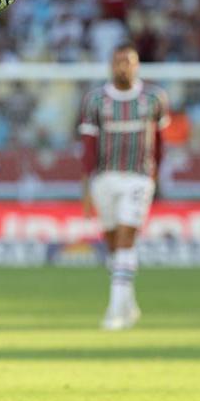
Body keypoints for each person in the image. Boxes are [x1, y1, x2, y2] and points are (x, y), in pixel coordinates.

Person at [79, 45, 169, 331]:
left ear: (138, 65)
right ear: (111, 65)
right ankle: (129, 305)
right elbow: (88, 147)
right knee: (113, 244)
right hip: (104, 178)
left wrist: (156, 176)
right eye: (119, 62)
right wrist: (86, 187)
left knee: (127, 238)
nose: (123, 67)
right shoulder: (95, 101)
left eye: (129, 62)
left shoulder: (154, 98)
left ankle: (114, 312)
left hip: (138, 176)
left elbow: (161, 143)